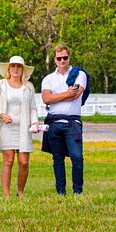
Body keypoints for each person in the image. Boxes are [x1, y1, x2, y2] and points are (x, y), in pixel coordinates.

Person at [0, 56, 39, 198]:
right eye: (13, 66)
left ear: (23, 69)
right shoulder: (0, 84)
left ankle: (20, 192)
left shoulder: (29, 87)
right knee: (8, 161)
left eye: (19, 66)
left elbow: (33, 108)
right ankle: (6, 195)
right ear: (8, 69)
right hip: (6, 128)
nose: (16, 69)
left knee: (23, 163)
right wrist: (1, 115)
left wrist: (34, 122)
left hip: (23, 128)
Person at [41, 44, 87, 195]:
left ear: (69, 58)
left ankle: (77, 191)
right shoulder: (48, 79)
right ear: (54, 60)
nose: (62, 61)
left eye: (65, 58)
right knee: (58, 158)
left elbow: (76, 95)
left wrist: (56, 96)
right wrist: (66, 93)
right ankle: (61, 191)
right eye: (59, 58)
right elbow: (46, 98)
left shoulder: (79, 74)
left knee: (77, 156)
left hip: (72, 122)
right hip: (54, 122)